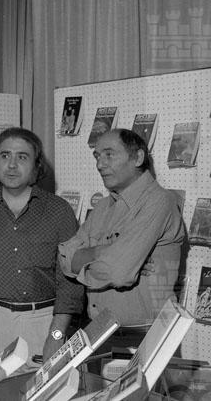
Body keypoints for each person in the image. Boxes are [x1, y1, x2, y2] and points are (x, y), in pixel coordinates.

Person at [0, 128, 83, 371]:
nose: (12, 165)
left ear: (36, 166)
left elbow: (70, 284)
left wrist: (56, 335)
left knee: (42, 390)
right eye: (5, 156)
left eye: (22, 157)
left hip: (43, 322)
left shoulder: (59, 211)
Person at [59, 129, 185, 348]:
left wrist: (87, 260)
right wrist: (103, 251)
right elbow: (64, 259)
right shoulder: (103, 207)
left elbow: (117, 273)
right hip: (98, 333)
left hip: (144, 337)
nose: (100, 164)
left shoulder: (159, 201)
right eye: (97, 156)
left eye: (109, 154)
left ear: (138, 158)